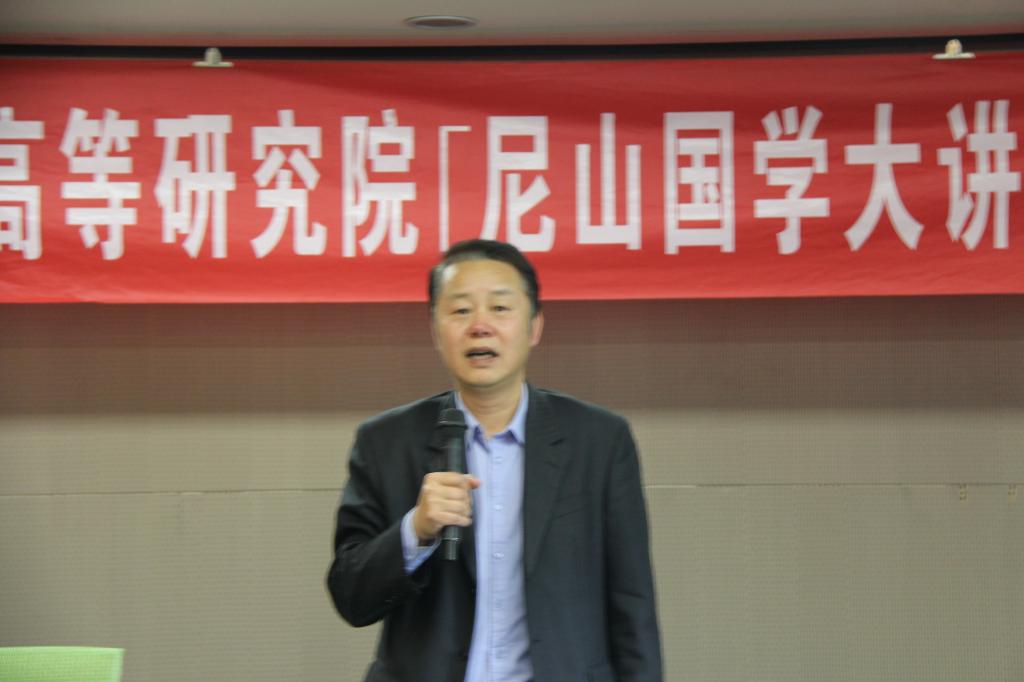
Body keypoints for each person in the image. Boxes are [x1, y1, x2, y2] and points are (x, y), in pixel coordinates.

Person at [326, 239, 662, 682]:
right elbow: (351, 597)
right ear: (435, 331)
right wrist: (415, 530)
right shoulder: (385, 443)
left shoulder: (599, 441)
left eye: (500, 308)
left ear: (534, 327)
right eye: (461, 310)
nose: (480, 326)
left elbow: (632, 604)